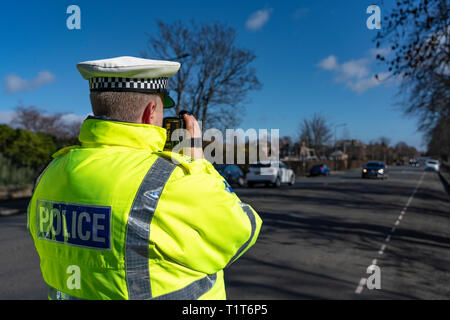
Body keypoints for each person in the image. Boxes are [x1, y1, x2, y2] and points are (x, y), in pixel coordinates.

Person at [27, 56, 262, 300]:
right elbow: (244, 228)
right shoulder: (171, 179)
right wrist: (198, 164)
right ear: (150, 113)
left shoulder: (50, 173)